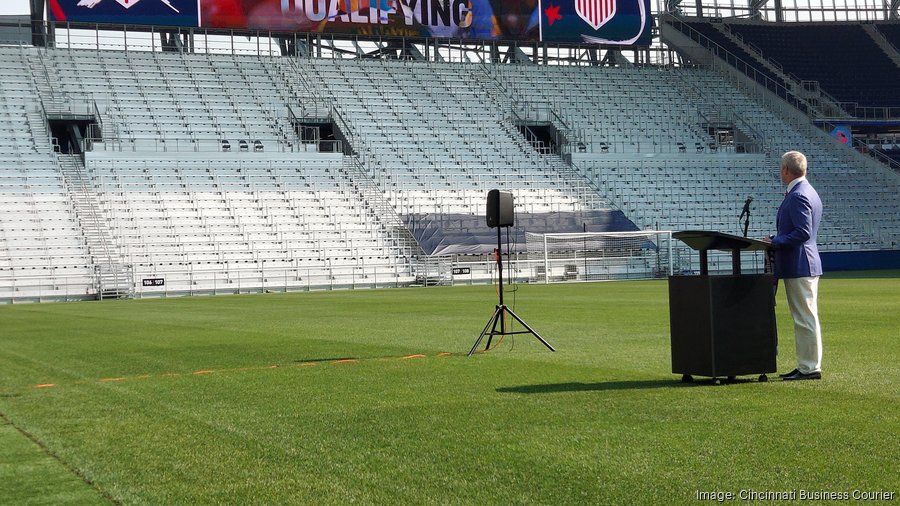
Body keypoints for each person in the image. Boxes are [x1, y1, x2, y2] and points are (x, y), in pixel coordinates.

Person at [770, 151, 824, 381]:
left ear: (785, 170)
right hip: (802, 262)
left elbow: (803, 232)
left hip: (800, 263)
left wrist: (775, 240)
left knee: (805, 318)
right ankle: (806, 365)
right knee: (804, 317)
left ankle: (810, 368)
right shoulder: (807, 191)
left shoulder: (798, 195)